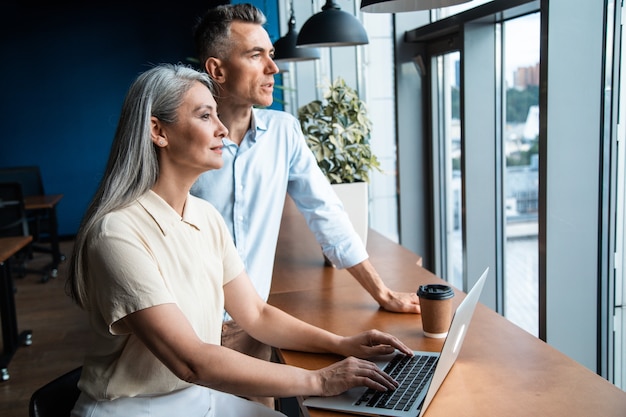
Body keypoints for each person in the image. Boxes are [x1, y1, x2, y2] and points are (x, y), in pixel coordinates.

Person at [65, 63, 412, 417]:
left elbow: (256, 314)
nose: (222, 130)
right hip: (130, 408)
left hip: (196, 396)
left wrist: (340, 344)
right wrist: (320, 381)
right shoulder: (116, 233)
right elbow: (191, 361)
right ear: (158, 131)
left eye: (218, 115)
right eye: (205, 116)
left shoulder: (205, 217)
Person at [190, 4, 421, 407]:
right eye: (255, 55)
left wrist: (382, 293)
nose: (272, 69)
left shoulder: (284, 133)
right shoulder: (183, 140)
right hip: (187, 329)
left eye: (272, 55)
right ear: (217, 69)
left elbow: (327, 213)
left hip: (253, 326)